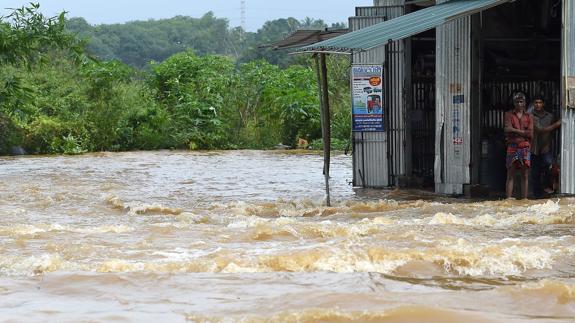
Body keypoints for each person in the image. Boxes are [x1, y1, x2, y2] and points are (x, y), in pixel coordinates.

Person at [504, 92, 533, 199]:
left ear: (525, 103)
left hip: (525, 147)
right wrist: (523, 132)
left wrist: (514, 130)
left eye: (521, 101)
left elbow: (530, 134)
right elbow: (507, 129)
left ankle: (525, 198)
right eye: (517, 102)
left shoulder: (529, 116)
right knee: (510, 174)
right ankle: (508, 199)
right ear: (514, 103)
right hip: (512, 146)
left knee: (524, 175)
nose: (519, 104)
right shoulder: (509, 114)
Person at [530, 95, 561, 198]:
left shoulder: (550, 116)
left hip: (546, 148)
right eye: (536, 102)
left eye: (540, 102)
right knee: (535, 174)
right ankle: (536, 196)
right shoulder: (531, 116)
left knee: (550, 166)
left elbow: (555, 133)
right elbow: (540, 130)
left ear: (543, 104)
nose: (538, 104)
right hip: (534, 149)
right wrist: (557, 124)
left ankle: (548, 190)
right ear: (533, 104)